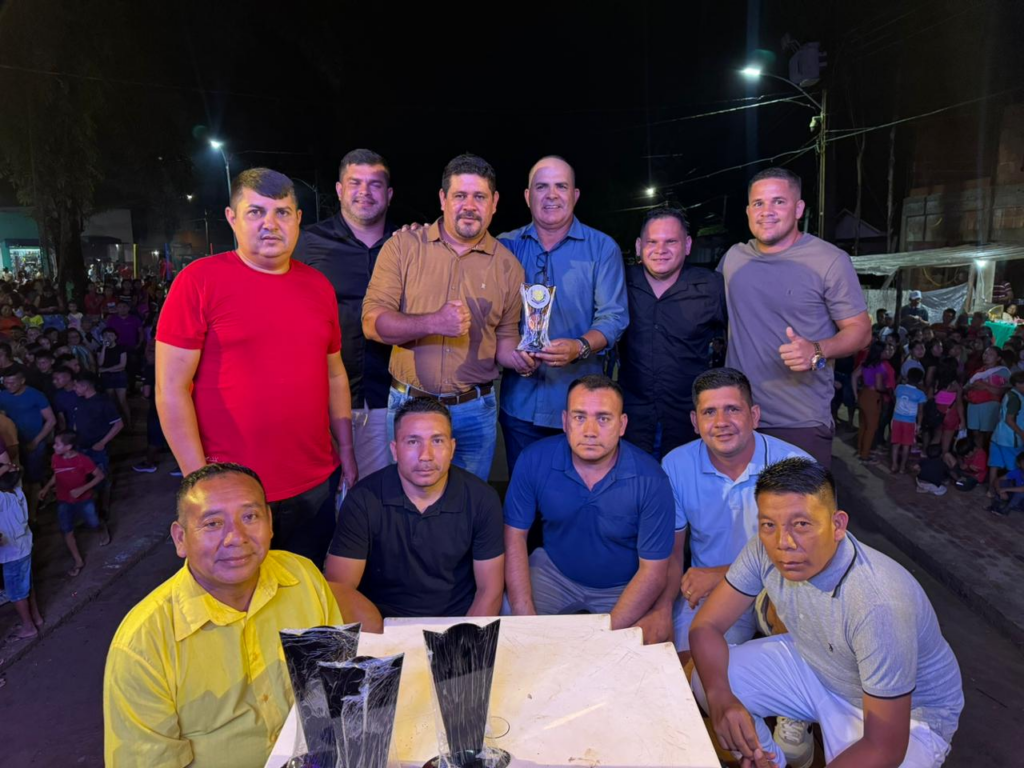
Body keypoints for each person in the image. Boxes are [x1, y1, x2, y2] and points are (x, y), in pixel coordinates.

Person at [689, 458, 963, 768]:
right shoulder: (763, 549)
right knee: (709, 680)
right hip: (822, 666)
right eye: (769, 525)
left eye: (801, 524)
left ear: (837, 525)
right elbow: (706, 627)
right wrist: (721, 700)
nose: (783, 543)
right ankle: (768, 761)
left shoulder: (878, 604)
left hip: (906, 718)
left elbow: (886, 748)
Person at [157, 168, 357, 564]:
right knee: (239, 595)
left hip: (313, 484)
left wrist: (347, 450)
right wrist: (199, 482)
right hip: (232, 493)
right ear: (232, 218)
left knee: (305, 590)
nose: (270, 224)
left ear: (298, 219)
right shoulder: (199, 281)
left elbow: (335, 374)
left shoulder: (318, 286)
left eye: (282, 212)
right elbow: (170, 390)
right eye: (256, 212)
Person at [103, 463, 344, 768]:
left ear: (270, 523)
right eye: (213, 523)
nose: (236, 537)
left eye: (250, 516)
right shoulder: (142, 645)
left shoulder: (302, 576)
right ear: (180, 539)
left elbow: (334, 685)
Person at [362, 153, 527, 480]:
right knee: (411, 499)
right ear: (442, 199)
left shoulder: (509, 267)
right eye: (460, 195)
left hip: (474, 412)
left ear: (494, 203)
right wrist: (433, 323)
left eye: (480, 197)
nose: (470, 206)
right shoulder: (403, 247)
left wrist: (524, 357)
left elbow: (506, 338)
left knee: (468, 501)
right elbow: (372, 323)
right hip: (410, 406)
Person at [718, 168, 871, 467]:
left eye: (778, 201)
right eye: (758, 203)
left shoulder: (829, 260)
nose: (767, 211)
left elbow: (861, 331)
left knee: (798, 500)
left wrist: (818, 349)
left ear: (799, 209)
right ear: (748, 211)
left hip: (799, 422)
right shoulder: (733, 259)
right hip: (738, 417)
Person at [503, 375, 674, 641]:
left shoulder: (651, 479)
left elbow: (653, 571)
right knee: (508, 620)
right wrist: (524, 613)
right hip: (554, 573)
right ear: (564, 421)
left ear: (622, 425)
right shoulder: (534, 459)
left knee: (643, 645)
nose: (590, 431)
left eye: (603, 418)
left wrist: (606, 636)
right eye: (579, 417)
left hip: (623, 585)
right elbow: (514, 536)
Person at [660, 368, 808, 665]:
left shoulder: (796, 466)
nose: (721, 422)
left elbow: (809, 558)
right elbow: (672, 553)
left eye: (732, 409)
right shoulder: (677, 464)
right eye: (709, 412)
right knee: (686, 669)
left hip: (782, 587)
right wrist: (662, 610)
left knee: (803, 665)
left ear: (754, 415)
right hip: (709, 591)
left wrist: (724, 574)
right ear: (695, 422)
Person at [325, 398, 504, 631]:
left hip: (456, 624)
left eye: (437, 441)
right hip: (381, 624)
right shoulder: (363, 500)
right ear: (394, 450)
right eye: (412, 442)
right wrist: (379, 641)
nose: (425, 455)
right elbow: (340, 588)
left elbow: (489, 590)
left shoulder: (482, 499)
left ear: (452, 448)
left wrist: (463, 641)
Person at [497, 156, 629, 472]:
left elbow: (613, 318)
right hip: (520, 405)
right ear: (527, 196)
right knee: (526, 492)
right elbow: (491, 317)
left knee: (579, 494)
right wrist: (512, 353)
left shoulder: (602, 248)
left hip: (582, 409)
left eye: (561, 186)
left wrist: (579, 346)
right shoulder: (505, 247)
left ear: (575, 195)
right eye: (541, 187)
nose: (551, 195)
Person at [294, 149, 398, 478]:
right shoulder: (308, 243)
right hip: (319, 398)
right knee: (324, 496)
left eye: (375, 184)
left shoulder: (406, 244)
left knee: (376, 493)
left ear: (389, 194)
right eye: (355, 183)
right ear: (339, 190)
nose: (364, 192)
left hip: (386, 397)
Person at [619, 207, 727, 458]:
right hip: (632, 419)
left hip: (689, 421)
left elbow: (737, 339)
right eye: (652, 242)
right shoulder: (620, 283)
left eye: (671, 241)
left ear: (687, 245)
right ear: (638, 246)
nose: (661, 250)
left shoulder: (711, 286)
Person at [39, 430, 109, 576]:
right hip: (63, 501)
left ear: (68, 447)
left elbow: (100, 476)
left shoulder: (83, 460)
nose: (54, 446)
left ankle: (101, 528)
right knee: (67, 530)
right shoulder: (55, 458)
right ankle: (78, 560)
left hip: (84, 500)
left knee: (93, 523)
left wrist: (82, 489)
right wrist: (46, 488)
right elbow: (56, 474)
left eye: (57, 444)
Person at [0, 366, 55, 521]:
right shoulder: (2, 396)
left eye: (12, 383)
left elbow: (51, 420)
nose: (9, 386)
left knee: (33, 480)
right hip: (12, 446)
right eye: (6, 383)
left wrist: (36, 441)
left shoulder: (36, 395)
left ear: (22, 380)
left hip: (33, 443)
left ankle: (33, 516)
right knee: (17, 481)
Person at [71, 369, 123, 515]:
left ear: (85, 386)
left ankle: (104, 508)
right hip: (81, 447)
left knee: (102, 478)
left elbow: (118, 424)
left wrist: (102, 442)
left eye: (76, 386)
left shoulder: (104, 402)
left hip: (98, 449)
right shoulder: (80, 401)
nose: (74, 389)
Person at [0, 464, 43, 639]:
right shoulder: (17, 491)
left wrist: (4, 468)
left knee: (16, 593)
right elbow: (19, 470)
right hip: (24, 547)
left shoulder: (2, 499)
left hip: (12, 553)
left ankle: (28, 626)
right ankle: (36, 618)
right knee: (27, 586)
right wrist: (10, 467)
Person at [986, 371, 1024, 496]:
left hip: (997, 435)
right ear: (1018, 384)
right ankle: (1013, 496)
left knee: (994, 465)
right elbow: (1010, 420)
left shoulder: (1009, 394)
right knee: (1015, 468)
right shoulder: (1016, 399)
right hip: (1010, 439)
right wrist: (1022, 434)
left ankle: (991, 490)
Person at [891, 368, 928, 474]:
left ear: (907, 377)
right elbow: (920, 412)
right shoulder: (920, 394)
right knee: (906, 445)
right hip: (910, 422)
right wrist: (919, 425)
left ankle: (894, 465)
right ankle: (902, 467)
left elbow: (895, 398)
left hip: (897, 419)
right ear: (920, 380)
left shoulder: (899, 388)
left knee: (896, 443)